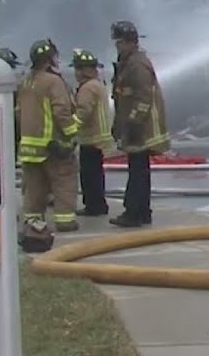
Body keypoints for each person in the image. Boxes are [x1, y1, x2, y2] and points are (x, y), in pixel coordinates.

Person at [108, 20, 170, 228]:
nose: (116, 46)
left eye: (118, 42)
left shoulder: (137, 64)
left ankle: (134, 213)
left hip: (141, 128)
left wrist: (133, 122)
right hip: (136, 125)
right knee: (139, 170)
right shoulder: (129, 62)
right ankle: (142, 211)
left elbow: (143, 98)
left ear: (128, 42)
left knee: (137, 171)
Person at [18, 38, 81, 235]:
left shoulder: (26, 81)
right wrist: (73, 132)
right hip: (52, 145)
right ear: (49, 59)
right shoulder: (53, 81)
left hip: (29, 147)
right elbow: (61, 111)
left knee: (34, 187)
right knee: (64, 182)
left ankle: (33, 221)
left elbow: (18, 112)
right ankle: (65, 221)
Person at [70, 48, 114, 217]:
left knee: (89, 176)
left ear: (84, 70)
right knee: (96, 174)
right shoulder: (98, 85)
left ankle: (93, 206)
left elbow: (83, 113)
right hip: (99, 137)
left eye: (78, 68)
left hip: (90, 138)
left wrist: (69, 132)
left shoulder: (87, 88)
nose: (76, 73)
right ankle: (98, 204)